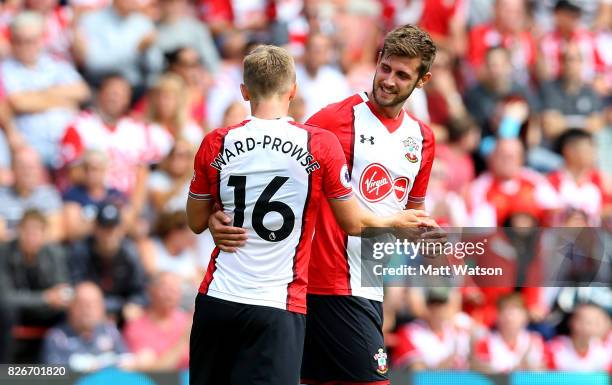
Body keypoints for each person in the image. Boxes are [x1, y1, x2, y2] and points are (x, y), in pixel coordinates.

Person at [210, 25, 443, 385]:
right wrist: (216, 215)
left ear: (422, 80)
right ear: (377, 60)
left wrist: (422, 236)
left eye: (402, 75)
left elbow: (408, 218)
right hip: (328, 284)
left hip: (367, 286)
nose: (389, 81)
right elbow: (274, 176)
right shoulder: (332, 121)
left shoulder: (423, 140)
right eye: (386, 68)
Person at [1, 11, 90, 168]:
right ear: (12, 42)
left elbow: (82, 91)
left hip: (66, 140)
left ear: (41, 39)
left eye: (31, 41)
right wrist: (63, 99)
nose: (25, 46)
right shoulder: (6, 69)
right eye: (19, 41)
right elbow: (19, 103)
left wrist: (38, 95)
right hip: (31, 144)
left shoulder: (56, 63)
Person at [0, 209, 71, 362]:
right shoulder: (4, 253)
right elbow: (5, 297)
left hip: (45, 312)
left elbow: (63, 289)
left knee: (68, 313)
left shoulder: (54, 253)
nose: (31, 237)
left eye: (37, 231)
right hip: (15, 313)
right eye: (27, 231)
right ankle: (4, 371)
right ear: (19, 231)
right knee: (4, 310)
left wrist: (61, 297)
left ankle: (62, 366)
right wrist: (45, 298)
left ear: (45, 234)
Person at [69, 203, 147, 321]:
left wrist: (134, 303)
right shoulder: (81, 250)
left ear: (121, 230)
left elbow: (140, 290)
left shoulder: (130, 253)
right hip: (88, 311)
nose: (109, 234)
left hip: (122, 314)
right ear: (95, 229)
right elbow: (76, 286)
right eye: (104, 228)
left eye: (113, 228)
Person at [41, 282, 132, 372]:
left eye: (94, 304)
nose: (88, 309)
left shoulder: (110, 331)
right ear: (71, 307)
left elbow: (126, 360)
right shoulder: (57, 337)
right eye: (83, 304)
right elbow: (53, 373)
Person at [123, 272, 191, 370]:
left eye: (175, 288)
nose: (171, 293)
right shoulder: (136, 326)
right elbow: (152, 371)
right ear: (151, 291)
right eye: (165, 288)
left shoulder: (187, 321)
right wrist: (183, 341)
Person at [472, 293, 545, 373]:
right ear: (497, 317)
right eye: (506, 312)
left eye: (515, 313)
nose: (510, 318)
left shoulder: (535, 340)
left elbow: (545, 371)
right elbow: (485, 374)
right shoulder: (485, 343)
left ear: (525, 316)